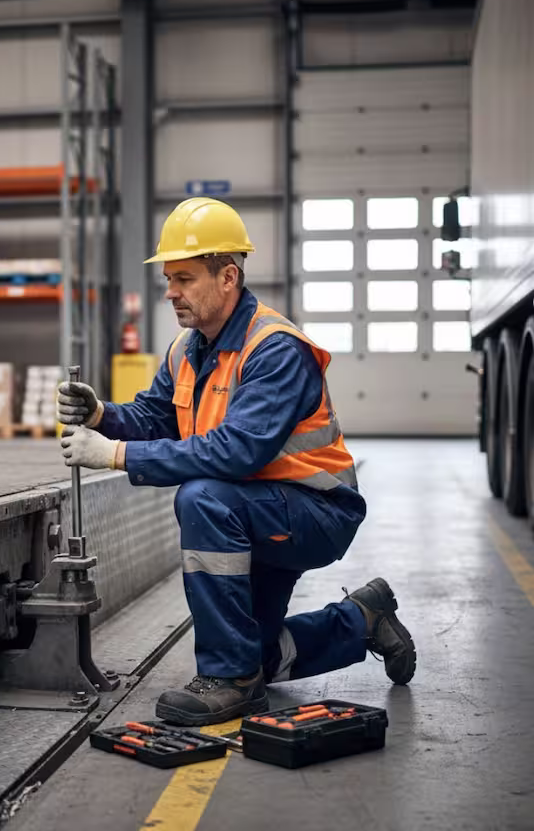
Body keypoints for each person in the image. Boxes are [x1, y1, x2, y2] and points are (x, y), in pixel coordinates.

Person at [58, 197, 416, 726]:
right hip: (259, 509)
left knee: (203, 495)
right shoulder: (189, 348)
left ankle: (229, 680)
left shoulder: (274, 348)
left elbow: (237, 450)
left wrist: (114, 455)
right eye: (168, 278)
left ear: (228, 277)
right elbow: (157, 416)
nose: (170, 291)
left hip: (315, 512)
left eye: (183, 278)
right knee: (262, 654)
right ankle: (361, 619)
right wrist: (103, 413)